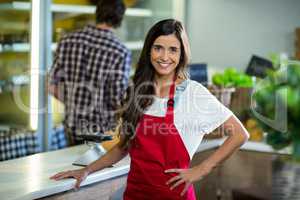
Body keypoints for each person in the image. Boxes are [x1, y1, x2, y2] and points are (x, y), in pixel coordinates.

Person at [50, 19, 249, 200]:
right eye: (158, 48)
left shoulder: (192, 92)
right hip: (136, 194)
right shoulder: (138, 89)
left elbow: (239, 134)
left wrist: (202, 169)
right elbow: (124, 146)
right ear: (149, 50)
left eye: (173, 50)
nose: (164, 56)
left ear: (181, 54)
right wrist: (87, 170)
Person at [48, 0, 131, 145]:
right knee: (100, 168)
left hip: (72, 127)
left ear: (97, 13)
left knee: (73, 166)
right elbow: (116, 99)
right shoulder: (120, 51)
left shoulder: (67, 41)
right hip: (102, 132)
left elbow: (50, 85)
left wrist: (71, 102)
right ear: (120, 19)